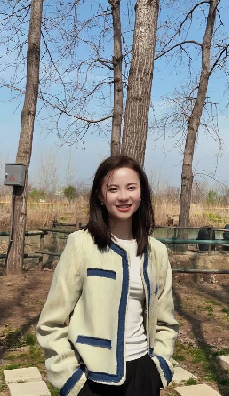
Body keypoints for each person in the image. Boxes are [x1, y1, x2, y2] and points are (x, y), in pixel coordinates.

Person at [36, 155, 179, 396]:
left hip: (143, 374)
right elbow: (51, 322)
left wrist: (159, 367)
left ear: (141, 193)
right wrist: (71, 380)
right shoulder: (81, 245)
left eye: (131, 187)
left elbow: (166, 322)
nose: (123, 196)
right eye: (113, 189)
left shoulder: (157, 252)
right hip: (92, 379)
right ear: (101, 197)